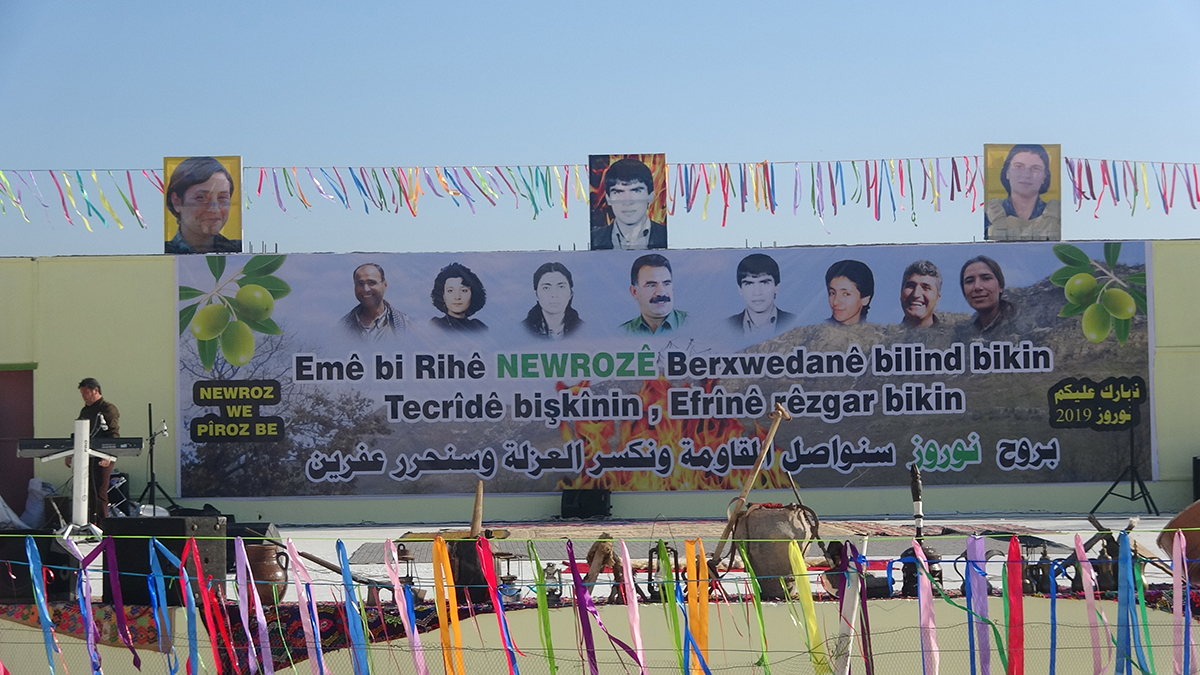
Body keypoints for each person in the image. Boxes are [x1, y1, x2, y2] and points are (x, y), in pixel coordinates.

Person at [164, 157, 241, 254]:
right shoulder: (163, 256)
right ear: (177, 202)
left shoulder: (237, 254)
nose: (214, 208)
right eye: (201, 198)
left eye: (222, 197)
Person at [984, 144, 1061, 241]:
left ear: (1044, 176)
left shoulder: (1058, 215)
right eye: (1019, 167)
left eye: (1036, 168)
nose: (1026, 174)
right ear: (1007, 172)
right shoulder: (989, 214)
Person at [590, 158, 668, 250]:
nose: (627, 201)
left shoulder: (668, 235)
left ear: (650, 196)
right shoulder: (593, 239)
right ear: (608, 199)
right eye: (618, 192)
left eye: (636, 191)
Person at [73, 378, 119, 525]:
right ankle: (88, 523)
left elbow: (113, 434)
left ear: (96, 391)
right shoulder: (85, 411)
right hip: (86, 455)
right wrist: (71, 453)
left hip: (103, 456)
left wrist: (109, 455)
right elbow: (79, 433)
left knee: (100, 491)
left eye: (86, 392)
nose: (83, 396)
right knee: (87, 492)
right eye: (82, 393)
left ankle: (102, 525)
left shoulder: (108, 409)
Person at [727, 253, 796, 335]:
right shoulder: (727, 325)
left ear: (777, 287)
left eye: (764, 283)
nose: (757, 293)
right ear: (740, 289)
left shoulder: (795, 321)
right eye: (749, 284)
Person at [341, 263, 412, 340]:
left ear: (385, 285)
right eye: (360, 284)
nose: (366, 289)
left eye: (371, 283)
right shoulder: (340, 330)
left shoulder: (407, 326)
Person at [621, 254, 687, 334]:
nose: (661, 293)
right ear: (634, 292)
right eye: (651, 285)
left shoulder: (693, 324)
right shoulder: (623, 332)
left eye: (666, 284)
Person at [522, 262, 583, 339]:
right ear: (536, 294)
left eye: (561, 287)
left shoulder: (583, 328)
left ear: (570, 293)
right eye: (546, 288)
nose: (554, 295)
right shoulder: (523, 329)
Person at [960, 255, 1015, 333]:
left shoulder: (1022, 324)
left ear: (1000, 286)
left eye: (986, 278)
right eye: (969, 281)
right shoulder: (963, 333)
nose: (977, 287)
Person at [430, 262, 488, 331]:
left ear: (472, 294)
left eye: (463, 290)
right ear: (443, 295)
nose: (457, 297)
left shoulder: (479, 327)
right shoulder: (435, 325)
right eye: (450, 291)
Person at [824, 260, 874, 325]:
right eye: (832, 293)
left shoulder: (879, 331)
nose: (835, 302)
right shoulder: (815, 330)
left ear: (865, 299)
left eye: (846, 294)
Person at [899, 260, 943, 328]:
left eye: (926, 287)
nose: (916, 294)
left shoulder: (954, 334)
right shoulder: (886, 334)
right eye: (911, 286)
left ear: (937, 298)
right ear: (901, 293)